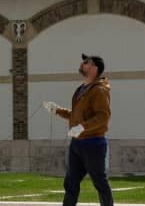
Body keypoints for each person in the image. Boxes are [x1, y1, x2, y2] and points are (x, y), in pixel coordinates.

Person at [42, 53, 113, 206]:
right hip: (77, 144)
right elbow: (76, 116)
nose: (82, 64)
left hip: (93, 143)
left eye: (86, 62)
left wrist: (82, 128)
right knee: (71, 182)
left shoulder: (99, 90)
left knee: (100, 182)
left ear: (94, 68)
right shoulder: (81, 90)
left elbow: (103, 116)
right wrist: (57, 110)